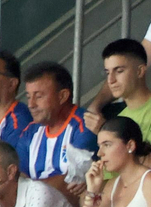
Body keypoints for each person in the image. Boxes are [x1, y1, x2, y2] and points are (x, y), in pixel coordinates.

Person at [19, 62, 100, 191]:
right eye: (29, 97)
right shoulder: (30, 132)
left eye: (39, 96)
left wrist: (27, 189)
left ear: (62, 96)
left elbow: (72, 183)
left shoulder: (84, 125)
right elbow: (17, 180)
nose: (31, 104)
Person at [87, 39, 151, 147]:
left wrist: (106, 134)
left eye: (119, 71)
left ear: (140, 71)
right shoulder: (120, 117)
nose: (111, 80)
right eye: (108, 73)